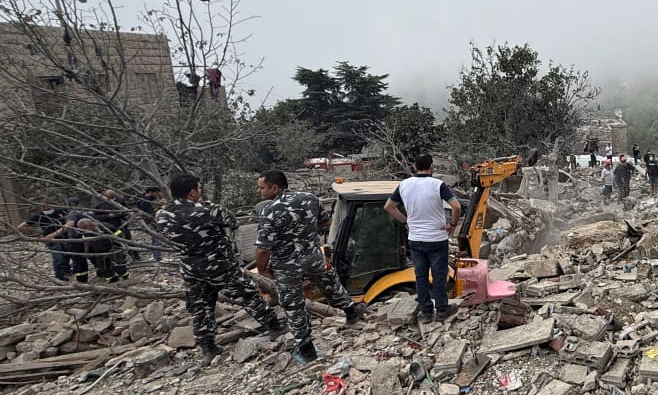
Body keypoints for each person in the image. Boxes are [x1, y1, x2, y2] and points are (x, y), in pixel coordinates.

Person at [156, 172, 284, 363]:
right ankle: (274, 327)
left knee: (201, 308)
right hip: (219, 265)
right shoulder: (208, 209)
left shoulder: (162, 215)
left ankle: (208, 348)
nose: (200, 192)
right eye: (199, 189)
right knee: (248, 295)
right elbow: (232, 221)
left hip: (191, 270)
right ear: (192, 193)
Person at [255, 170, 364, 363]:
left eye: (261, 187)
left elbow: (263, 249)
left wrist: (263, 269)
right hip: (312, 256)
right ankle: (351, 311)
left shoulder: (269, 211)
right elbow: (326, 223)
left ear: (274, 188)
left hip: (287, 265)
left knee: (293, 304)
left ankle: (306, 349)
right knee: (330, 283)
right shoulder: (309, 198)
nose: (259, 191)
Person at [384, 154, 462, 323]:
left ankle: (426, 312)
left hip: (416, 239)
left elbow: (389, 206)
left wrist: (405, 221)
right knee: (439, 275)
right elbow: (456, 206)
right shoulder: (437, 185)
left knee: (420, 276)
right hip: (436, 239)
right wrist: (452, 224)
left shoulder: (404, 185)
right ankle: (442, 309)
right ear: (432, 167)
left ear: (414, 167)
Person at [18, 201, 71, 280]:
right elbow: (21, 226)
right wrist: (37, 233)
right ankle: (59, 274)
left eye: (46, 204)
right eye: (43, 205)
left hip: (64, 237)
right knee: (58, 257)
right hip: (51, 239)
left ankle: (67, 270)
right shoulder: (39, 216)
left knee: (67, 255)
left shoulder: (61, 211)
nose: (45, 207)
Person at [92, 189, 131, 280]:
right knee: (112, 247)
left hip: (121, 225)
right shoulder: (100, 205)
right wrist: (109, 215)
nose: (112, 199)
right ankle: (116, 268)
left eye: (113, 197)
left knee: (127, 240)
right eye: (109, 197)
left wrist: (124, 217)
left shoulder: (120, 201)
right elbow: (96, 217)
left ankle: (131, 256)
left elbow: (128, 210)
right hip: (107, 227)